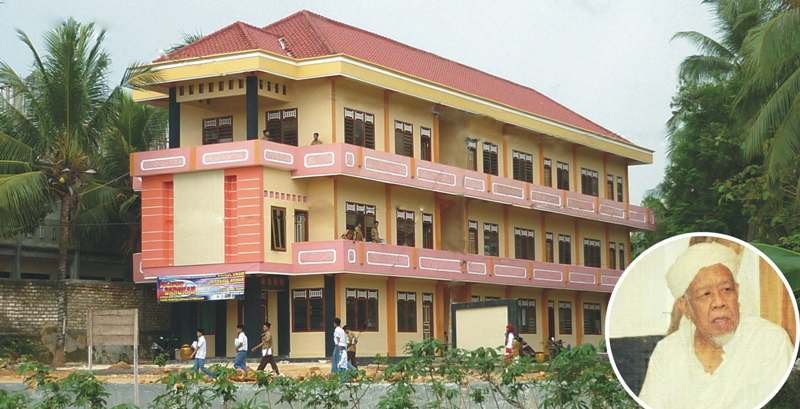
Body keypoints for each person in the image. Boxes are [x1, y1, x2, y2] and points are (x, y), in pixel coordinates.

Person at [638, 241, 794, 409]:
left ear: (737, 292)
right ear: (685, 306)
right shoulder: (667, 352)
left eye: (727, 290)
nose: (719, 302)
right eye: (705, 294)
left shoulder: (770, 341)